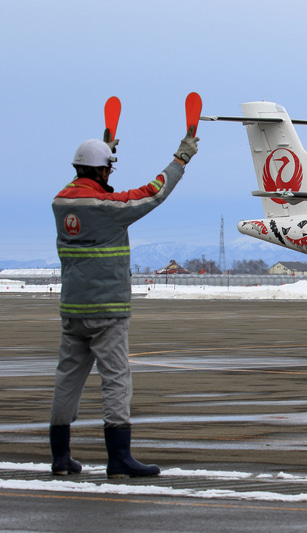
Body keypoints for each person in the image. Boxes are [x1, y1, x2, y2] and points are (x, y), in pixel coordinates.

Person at [49, 125, 198, 478]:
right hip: (107, 310)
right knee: (116, 379)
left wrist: (104, 151)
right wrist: (181, 158)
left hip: (73, 308)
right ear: (102, 170)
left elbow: (82, 190)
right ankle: (119, 458)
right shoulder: (107, 206)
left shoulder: (60, 202)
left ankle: (60, 458)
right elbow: (152, 193)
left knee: (66, 380)